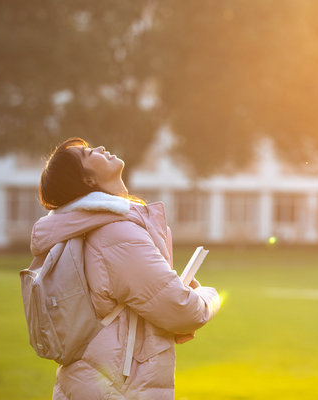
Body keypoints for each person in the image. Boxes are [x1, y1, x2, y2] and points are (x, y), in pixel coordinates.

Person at [30, 137, 221, 400]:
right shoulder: (116, 233)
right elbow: (182, 310)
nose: (98, 148)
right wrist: (209, 296)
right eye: (87, 154)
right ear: (87, 180)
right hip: (117, 390)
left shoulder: (93, 228)